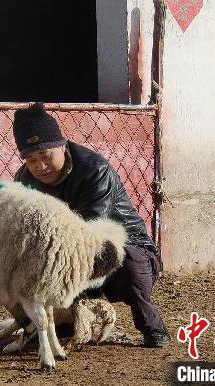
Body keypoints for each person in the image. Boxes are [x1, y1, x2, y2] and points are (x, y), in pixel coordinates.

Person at [11, 102, 169, 347]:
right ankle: (48, 327)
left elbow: (92, 228)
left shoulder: (95, 169)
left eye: (45, 155)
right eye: (30, 159)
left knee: (129, 265)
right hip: (61, 249)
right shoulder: (24, 180)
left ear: (61, 146)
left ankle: (151, 325)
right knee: (13, 272)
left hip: (115, 244)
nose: (39, 166)